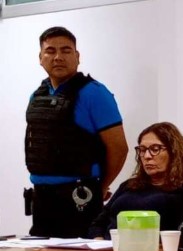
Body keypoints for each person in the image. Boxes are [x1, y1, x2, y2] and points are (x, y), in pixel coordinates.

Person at [25, 26, 129, 238]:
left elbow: (119, 148)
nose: (58, 57)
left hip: (79, 197)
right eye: (50, 51)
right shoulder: (37, 95)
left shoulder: (94, 93)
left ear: (77, 56)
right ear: (40, 58)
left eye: (66, 50)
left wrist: (101, 186)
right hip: (42, 199)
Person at [88, 122, 183, 249]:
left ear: (173, 152)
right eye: (142, 150)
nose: (147, 156)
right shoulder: (129, 186)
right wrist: (100, 244)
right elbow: (97, 224)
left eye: (155, 149)